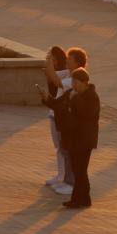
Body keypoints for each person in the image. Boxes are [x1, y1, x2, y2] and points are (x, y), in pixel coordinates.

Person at [41, 67, 100, 209]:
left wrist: (74, 99)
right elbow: (58, 104)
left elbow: (84, 114)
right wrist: (47, 99)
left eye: (76, 82)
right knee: (79, 170)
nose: (73, 84)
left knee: (80, 170)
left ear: (84, 82)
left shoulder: (91, 96)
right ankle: (83, 199)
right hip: (74, 138)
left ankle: (79, 199)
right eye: (72, 81)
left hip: (84, 140)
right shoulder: (73, 94)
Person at [41, 47, 73, 191]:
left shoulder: (74, 78)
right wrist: (48, 61)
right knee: (60, 148)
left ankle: (67, 180)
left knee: (65, 148)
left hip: (63, 116)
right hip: (55, 114)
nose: (66, 61)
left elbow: (56, 81)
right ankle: (61, 176)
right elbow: (49, 74)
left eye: (70, 59)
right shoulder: (67, 73)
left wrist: (49, 63)